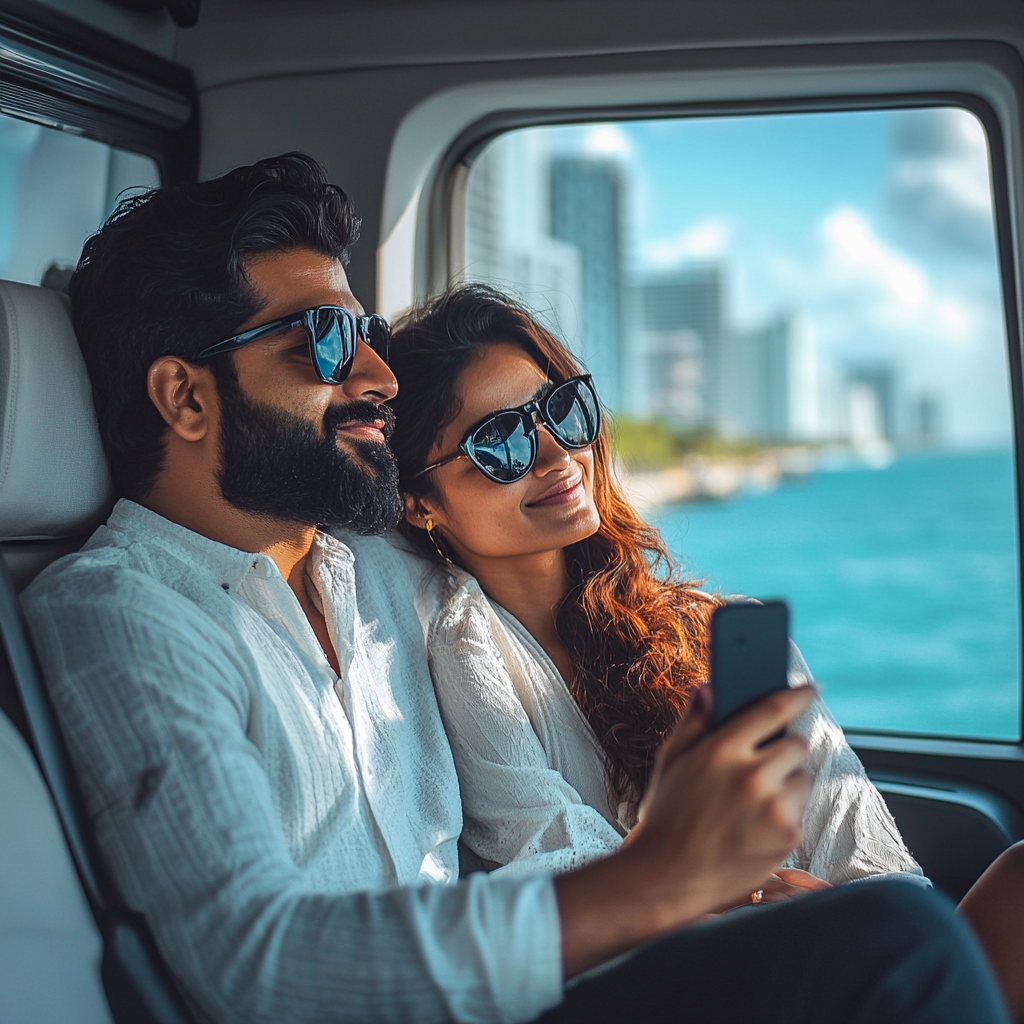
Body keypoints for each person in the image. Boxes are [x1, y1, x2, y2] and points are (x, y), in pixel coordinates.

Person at [19, 153, 1007, 1024]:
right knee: (890, 942)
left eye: (364, 332)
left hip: (534, 997)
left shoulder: (378, 570)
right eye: (323, 340)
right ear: (185, 397)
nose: (376, 374)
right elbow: (256, 965)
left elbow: (518, 547)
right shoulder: (123, 610)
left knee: (911, 916)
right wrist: (656, 877)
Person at [388, 285, 923, 899]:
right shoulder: (460, 650)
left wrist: (835, 912)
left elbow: (871, 858)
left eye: (559, 410)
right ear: (421, 502)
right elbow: (562, 858)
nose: (558, 452)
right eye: (501, 442)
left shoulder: (711, 635)